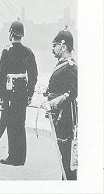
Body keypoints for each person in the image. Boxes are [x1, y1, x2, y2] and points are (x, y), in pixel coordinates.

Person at [0, 19, 38, 166]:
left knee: (11, 124)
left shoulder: (6, 51)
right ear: (21, 35)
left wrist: (0, 95)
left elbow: (1, 75)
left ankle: (12, 157)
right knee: (20, 124)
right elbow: (33, 75)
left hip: (9, 92)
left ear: (11, 33)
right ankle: (21, 159)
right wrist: (30, 93)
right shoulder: (28, 52)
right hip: (22, 91)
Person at [42, 27, 78, 180]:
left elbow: (72, 92)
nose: (53, 48)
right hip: (59, 116)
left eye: (55, 45)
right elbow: (59, 87)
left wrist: (54, 101)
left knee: (67, 157)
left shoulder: (70, 66)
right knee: (63, 155)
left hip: (66, 117)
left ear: (63, 46)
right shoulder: (61, 64)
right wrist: (47, 91)